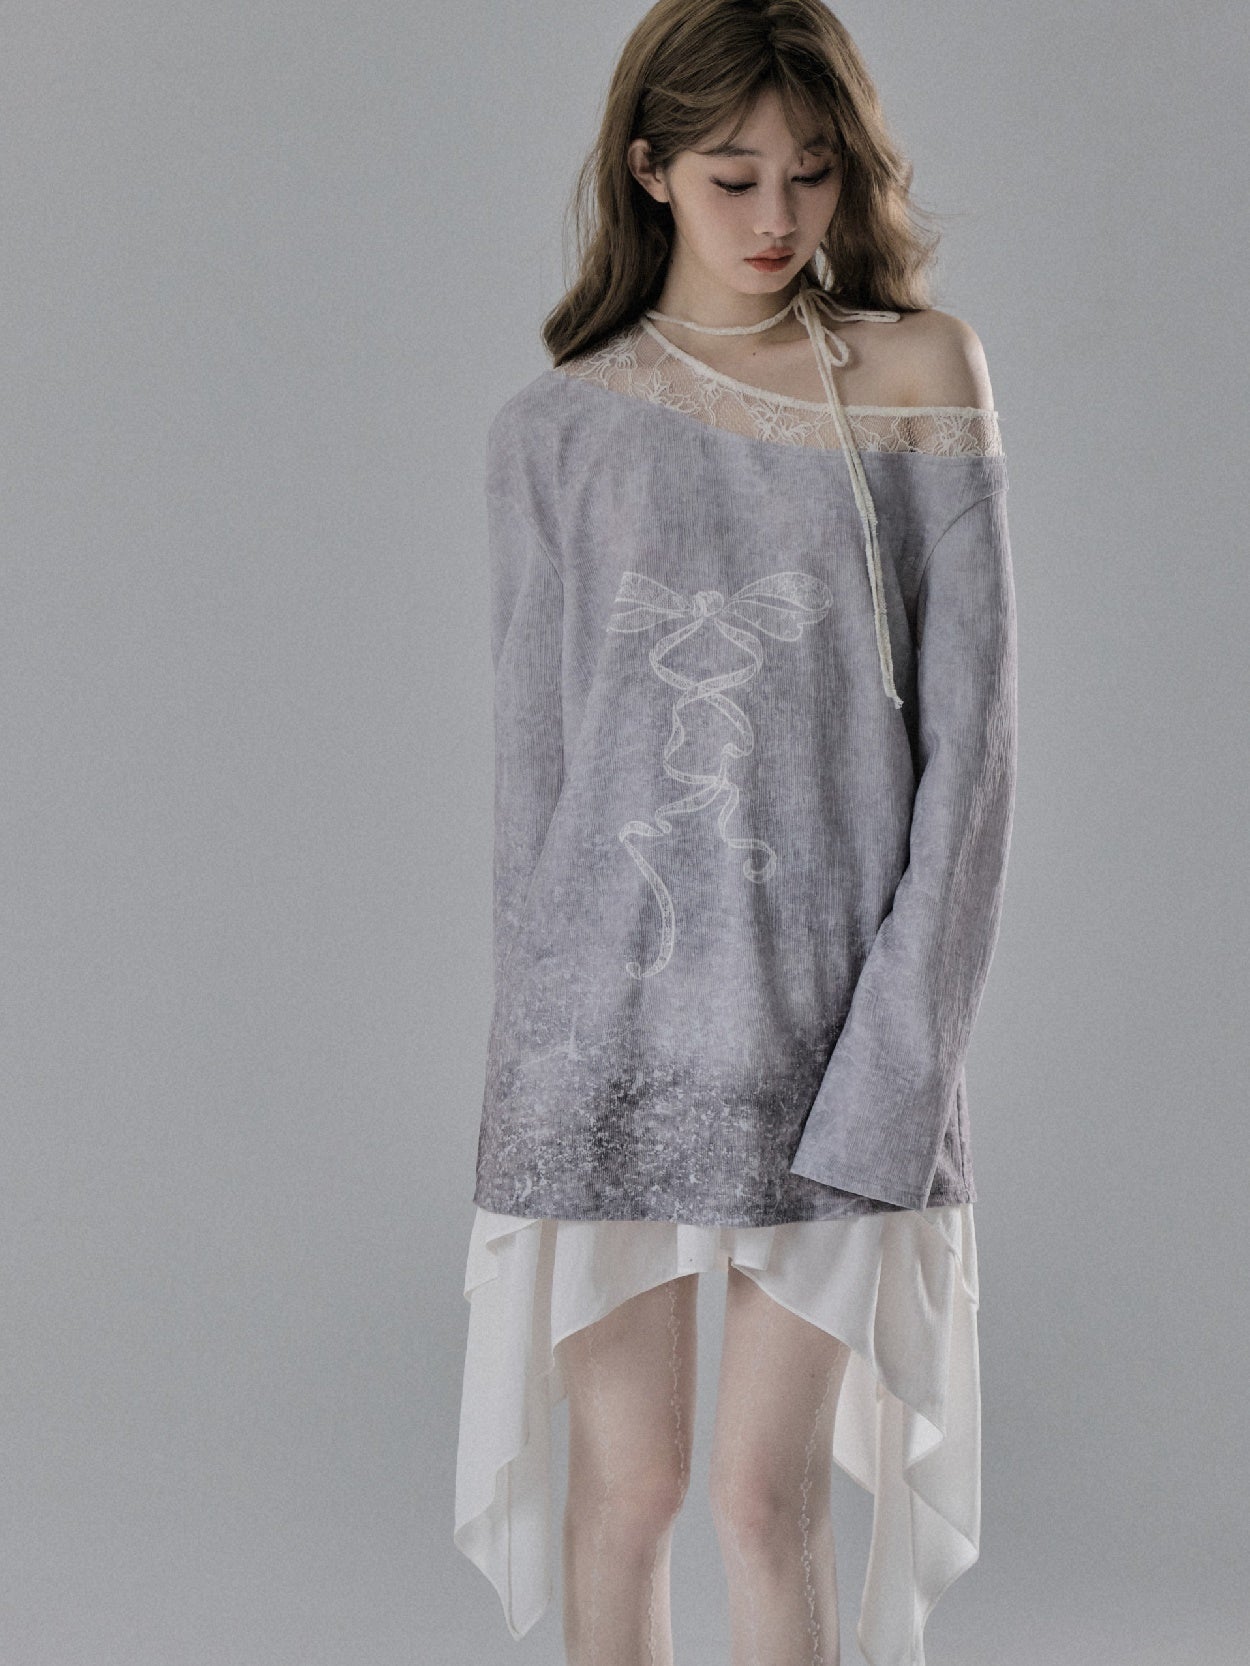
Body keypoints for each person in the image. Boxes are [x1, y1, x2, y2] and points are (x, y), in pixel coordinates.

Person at [453, 3, 1017, 1662]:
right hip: (598, 1042)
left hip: (833, 1037)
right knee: (621, 1495)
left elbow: (973, 762)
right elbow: (536, 791)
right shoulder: (551, 430)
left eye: (812, 173)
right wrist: (524, 1079)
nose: (778, 217)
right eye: (731, 176)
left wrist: (904, 1060)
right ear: (648, 171)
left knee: (766, 1505)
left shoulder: (915, 373)